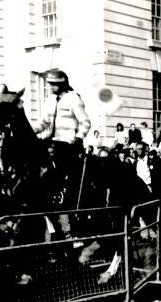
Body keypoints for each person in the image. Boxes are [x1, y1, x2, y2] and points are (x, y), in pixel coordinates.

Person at [33, 69, 91, 236]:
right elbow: (43, 122)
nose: (49, 87)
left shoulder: (74, 98)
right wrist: (31, 131)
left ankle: (67, 208)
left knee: (66, 179)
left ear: (60, 84)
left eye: (52, 84)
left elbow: (85, 122)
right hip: (51, 143)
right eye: (49, 84)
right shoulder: (50, 101)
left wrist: (78, 137)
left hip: (68, 145)